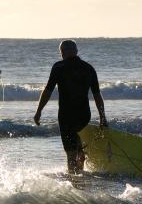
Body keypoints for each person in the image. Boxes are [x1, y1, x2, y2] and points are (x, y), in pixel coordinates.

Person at [34, 40, 107, 173]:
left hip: (66, 115)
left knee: (70, 151)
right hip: (84, 114)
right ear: (76, 51)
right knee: (79, 147)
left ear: (62, 52)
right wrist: (103, 117)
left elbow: (48, 91)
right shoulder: (88, 68)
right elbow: (97, 95)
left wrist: (39, 111)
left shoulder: (58, 67)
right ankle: (80, 173)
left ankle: (75, 179)